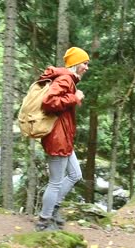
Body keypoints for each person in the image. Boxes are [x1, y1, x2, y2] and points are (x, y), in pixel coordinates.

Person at [35, 47, 90, 231]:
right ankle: (44, 221)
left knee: (75, 174)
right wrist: (74, 97)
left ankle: (54, 209)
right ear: (75, 63)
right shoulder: (66, 78)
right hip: (57, 138)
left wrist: (72, 96)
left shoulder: (69, 79)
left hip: (64, 137)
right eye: (84, 63)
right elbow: (48, 102)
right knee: (55, 181)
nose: (87, 67)